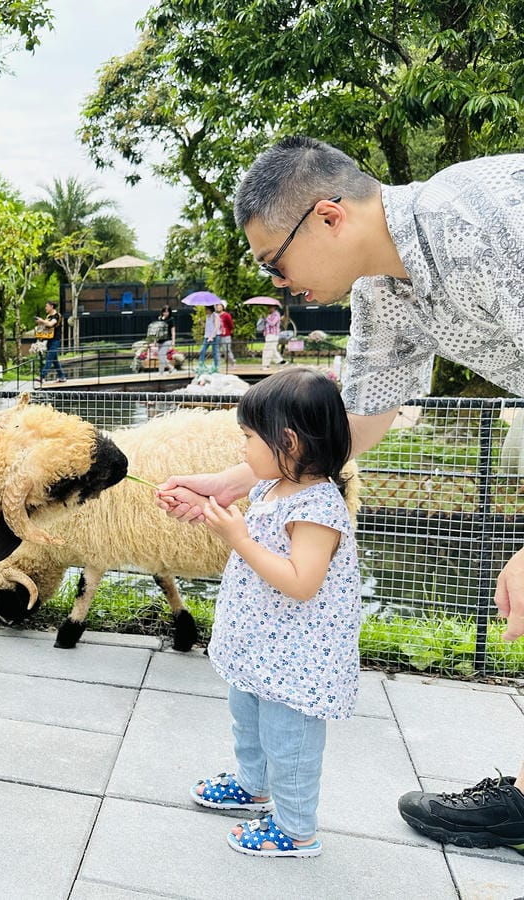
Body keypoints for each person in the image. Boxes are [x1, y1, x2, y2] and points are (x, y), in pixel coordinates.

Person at [158, 135, 524, 854]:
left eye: (275, 261)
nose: (281, 281)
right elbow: (353, 425)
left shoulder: (477, 225)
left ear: (328, 216)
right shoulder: (381, 293)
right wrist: (234, 481)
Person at [190, 368, 359, 858]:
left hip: (297, 658)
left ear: (288, 440)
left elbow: (302, 584)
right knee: (248, 718)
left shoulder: (317, 508)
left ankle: (295, 827)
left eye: (248, 437)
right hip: (261, 642)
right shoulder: (270, 487)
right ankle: (252, 784)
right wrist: (208, 509)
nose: (242, 450)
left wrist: (237, 539)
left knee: (290, 742)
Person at [36, 301, 66, 383]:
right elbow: (46, 327)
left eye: (47, 306)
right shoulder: (48, 316)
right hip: (49, 339)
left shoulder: (57, 316)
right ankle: (62, 376)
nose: (45, 308)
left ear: (51, 306)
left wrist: (42, 320)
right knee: (54, 360)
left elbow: (50, 324)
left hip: (55, 340)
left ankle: (42, 376)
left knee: (49, 358)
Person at [147, 306, 176, 374]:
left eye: (167, 311)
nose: (166, 313)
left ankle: (168, 369)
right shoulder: (159, 319)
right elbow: (157, 331)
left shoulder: (171, 319)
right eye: (164, 311)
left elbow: (173, 331)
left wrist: (173, 341)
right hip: (160, 340)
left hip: (167, 340)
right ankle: (164, 371)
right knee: (161, 357)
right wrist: (155, 341)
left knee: (161, 354)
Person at [197, 304, 221, 371]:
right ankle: (200, 365)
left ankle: (216, 367)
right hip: (207, 336)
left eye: (206, 309)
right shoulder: (207, 316)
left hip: (215, 336)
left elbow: (216, 327)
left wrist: (212, 337)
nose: (205, 310)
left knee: (214, 352)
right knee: (202, 350)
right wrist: (201, 322)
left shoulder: (215, 316)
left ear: (210, 309)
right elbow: (206, 327)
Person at [218, 303, 236, 368]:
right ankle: (218, 364)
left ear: (223, 307)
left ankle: (232, 363)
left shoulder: (226, 315)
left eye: (220, 306)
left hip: (226, 335)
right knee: (217, 350)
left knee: (227, 350)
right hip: (218, 335)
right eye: (217, 306)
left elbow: (231, 325)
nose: (218, 307)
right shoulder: (216, 315)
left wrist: (227, 331)